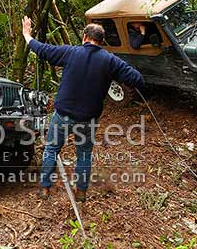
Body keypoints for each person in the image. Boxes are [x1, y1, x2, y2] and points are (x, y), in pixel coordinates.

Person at [22, 16, 144, 202]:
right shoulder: (110, 61)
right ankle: (81, 192)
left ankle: (45, 189)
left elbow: (43, 50)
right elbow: (137, 80)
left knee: (51, 149)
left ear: (84, 37)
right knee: (84, 154)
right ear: (101, 41)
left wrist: (27, 34)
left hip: (63, 115)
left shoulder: (71, 52)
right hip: (88, 119)